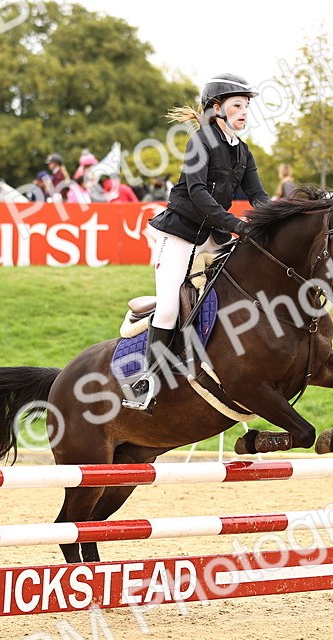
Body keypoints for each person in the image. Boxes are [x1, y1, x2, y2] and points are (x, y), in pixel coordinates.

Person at [124, 73, 270, 413]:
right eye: (237, 106)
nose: (244, 112)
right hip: (179, 235)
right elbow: (197, 193)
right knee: (170, 307)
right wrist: (235, 224)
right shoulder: (200, 142)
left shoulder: (242, 151)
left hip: (212, 237)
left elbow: (258, 195)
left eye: (246, 106)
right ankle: (146, 381)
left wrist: (280, 219)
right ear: (216, 109)